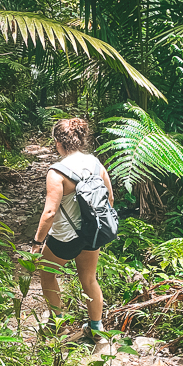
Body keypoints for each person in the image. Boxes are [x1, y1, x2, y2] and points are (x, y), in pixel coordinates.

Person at [30, 118, 113, 340]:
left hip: (65, 238)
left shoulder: (57, 172)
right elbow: (109, 200)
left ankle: (59, 325)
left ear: (58, 142)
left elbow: (49, 213)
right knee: (89, 279)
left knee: (47, 274)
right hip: (92, 233)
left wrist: (37, 243)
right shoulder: (97, 164)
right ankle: (96, 329)